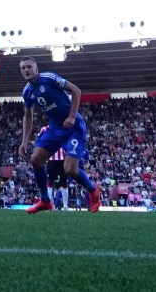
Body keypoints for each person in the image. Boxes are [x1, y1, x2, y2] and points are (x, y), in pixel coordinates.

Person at [18, 56, 102, 214]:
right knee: (35, 160)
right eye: (23, 68)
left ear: (36, 69)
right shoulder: (27, 92)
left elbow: (76, 91)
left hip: (73, 127)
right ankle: (45, 200)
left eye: (29, 67)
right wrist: (24, 141)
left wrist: (71, 116)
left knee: (70, 169)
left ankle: (93, 191)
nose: (26, 70)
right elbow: (28, 117)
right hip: (55, 128)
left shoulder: (49, 78)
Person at [38, 125, 69, 211]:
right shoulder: (45, 129)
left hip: (63, 159)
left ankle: (65, 205)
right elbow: (39, 140)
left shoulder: (64, 127)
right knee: (50, 182)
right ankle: (50, 205)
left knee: (64, 182)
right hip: (51, 159)